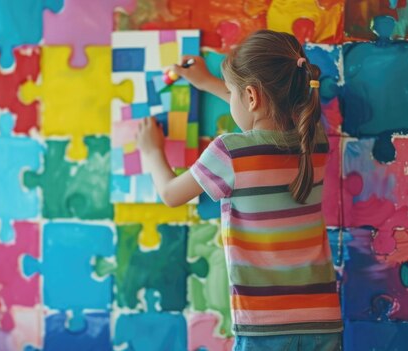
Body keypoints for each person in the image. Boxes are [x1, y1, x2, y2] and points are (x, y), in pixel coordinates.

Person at [136, 29, 342, 351]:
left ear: (250, 97)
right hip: (324, 320)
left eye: (232, 93)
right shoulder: (314, 139)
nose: (230, 97)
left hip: (263, 328)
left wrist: (150, 152)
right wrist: (209, 83)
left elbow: (171, 194)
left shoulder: (230, 152)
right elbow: (260, 110)